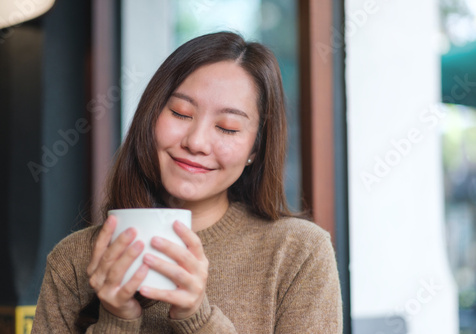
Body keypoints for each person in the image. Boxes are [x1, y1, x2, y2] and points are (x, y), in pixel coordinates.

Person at [31, 31, 343, 333]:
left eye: (228, 127)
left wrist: (198, 318)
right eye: (181, 113)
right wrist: (116, 320)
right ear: (150, 116)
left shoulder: (299, 252)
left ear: (255, 150)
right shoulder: (73, 260)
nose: (197, 142)